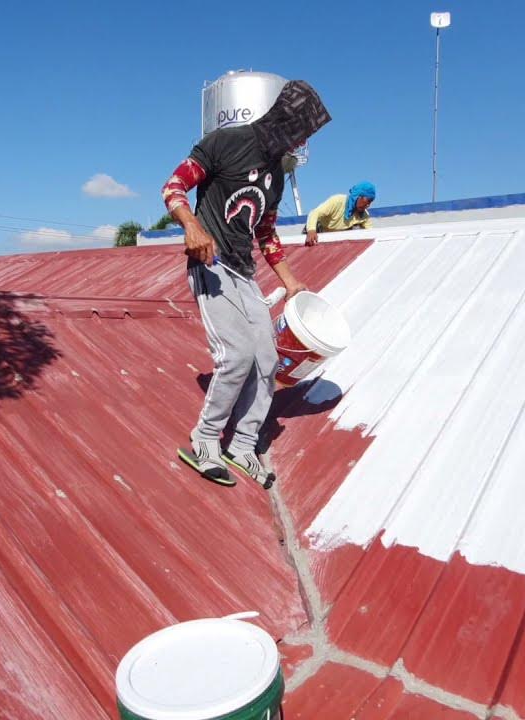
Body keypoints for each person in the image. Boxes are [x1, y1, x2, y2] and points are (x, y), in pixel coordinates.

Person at [161, 80, 331, 488]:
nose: (305, 140)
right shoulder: (228, 141)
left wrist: (291, 283)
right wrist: (192, 228)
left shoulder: (275, 170)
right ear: (287, 119)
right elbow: (174, 187)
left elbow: (266, 232)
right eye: (304, 130)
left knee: (267, 361)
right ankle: (205, 439)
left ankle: (242, 444)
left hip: (243, 271)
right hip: (211, 263)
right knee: (236, 356)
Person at [304, 181, 375, 246]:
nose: (368, 205)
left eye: (371, 202)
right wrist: (311, 230)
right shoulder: (337, 201)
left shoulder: (364, 215)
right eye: (368, 201)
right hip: (318, 230)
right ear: (358, 196)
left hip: (337, 238)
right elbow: (314, 213)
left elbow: (371, 232)